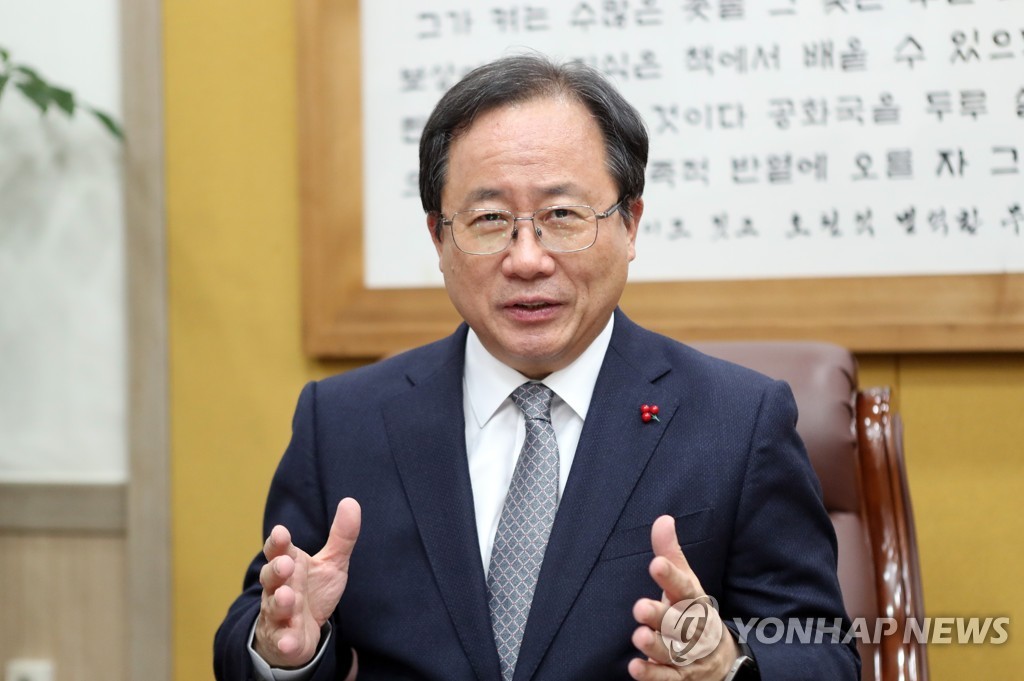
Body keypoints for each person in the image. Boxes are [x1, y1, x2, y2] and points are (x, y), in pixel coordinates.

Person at [214, 54, 860, 681]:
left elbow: (822, 648)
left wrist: (730, 667)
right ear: (439, 237)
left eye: (562, 215)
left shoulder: (737, 421)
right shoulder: (343, 421)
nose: (527, 259)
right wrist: (285, 652)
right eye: (490, 219)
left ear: (630, 225)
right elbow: (261, 626)